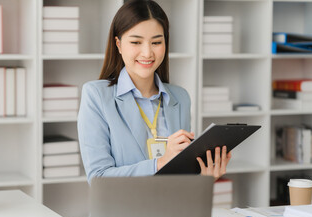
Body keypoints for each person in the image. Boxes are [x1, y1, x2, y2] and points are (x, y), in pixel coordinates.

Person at [78, 0, 231, 183]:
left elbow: (179, 180)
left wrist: (203, 178)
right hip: (124, 210)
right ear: (118, 44)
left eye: (156, 42)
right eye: (136, 42)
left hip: (171, 208)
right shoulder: (96, 96)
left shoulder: (180, 97)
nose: (147, 53)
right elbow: (98, 179)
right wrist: (160, 162)